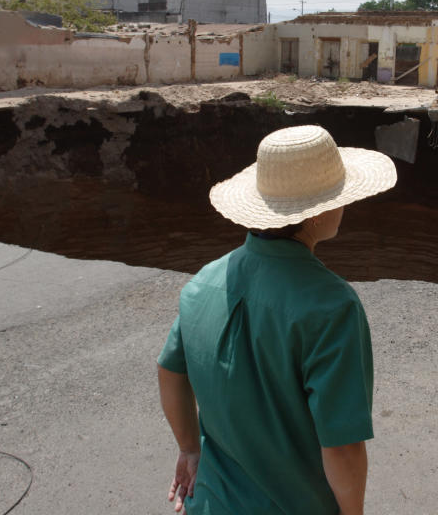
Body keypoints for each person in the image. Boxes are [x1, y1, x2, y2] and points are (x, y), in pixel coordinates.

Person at [157, 124, 397, 514]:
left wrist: (188, 449)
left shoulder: (202, 283)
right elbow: (342, 445)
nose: (345, 206)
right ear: (316, 214)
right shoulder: (332, 307)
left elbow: (170, 371)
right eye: (339, 197)